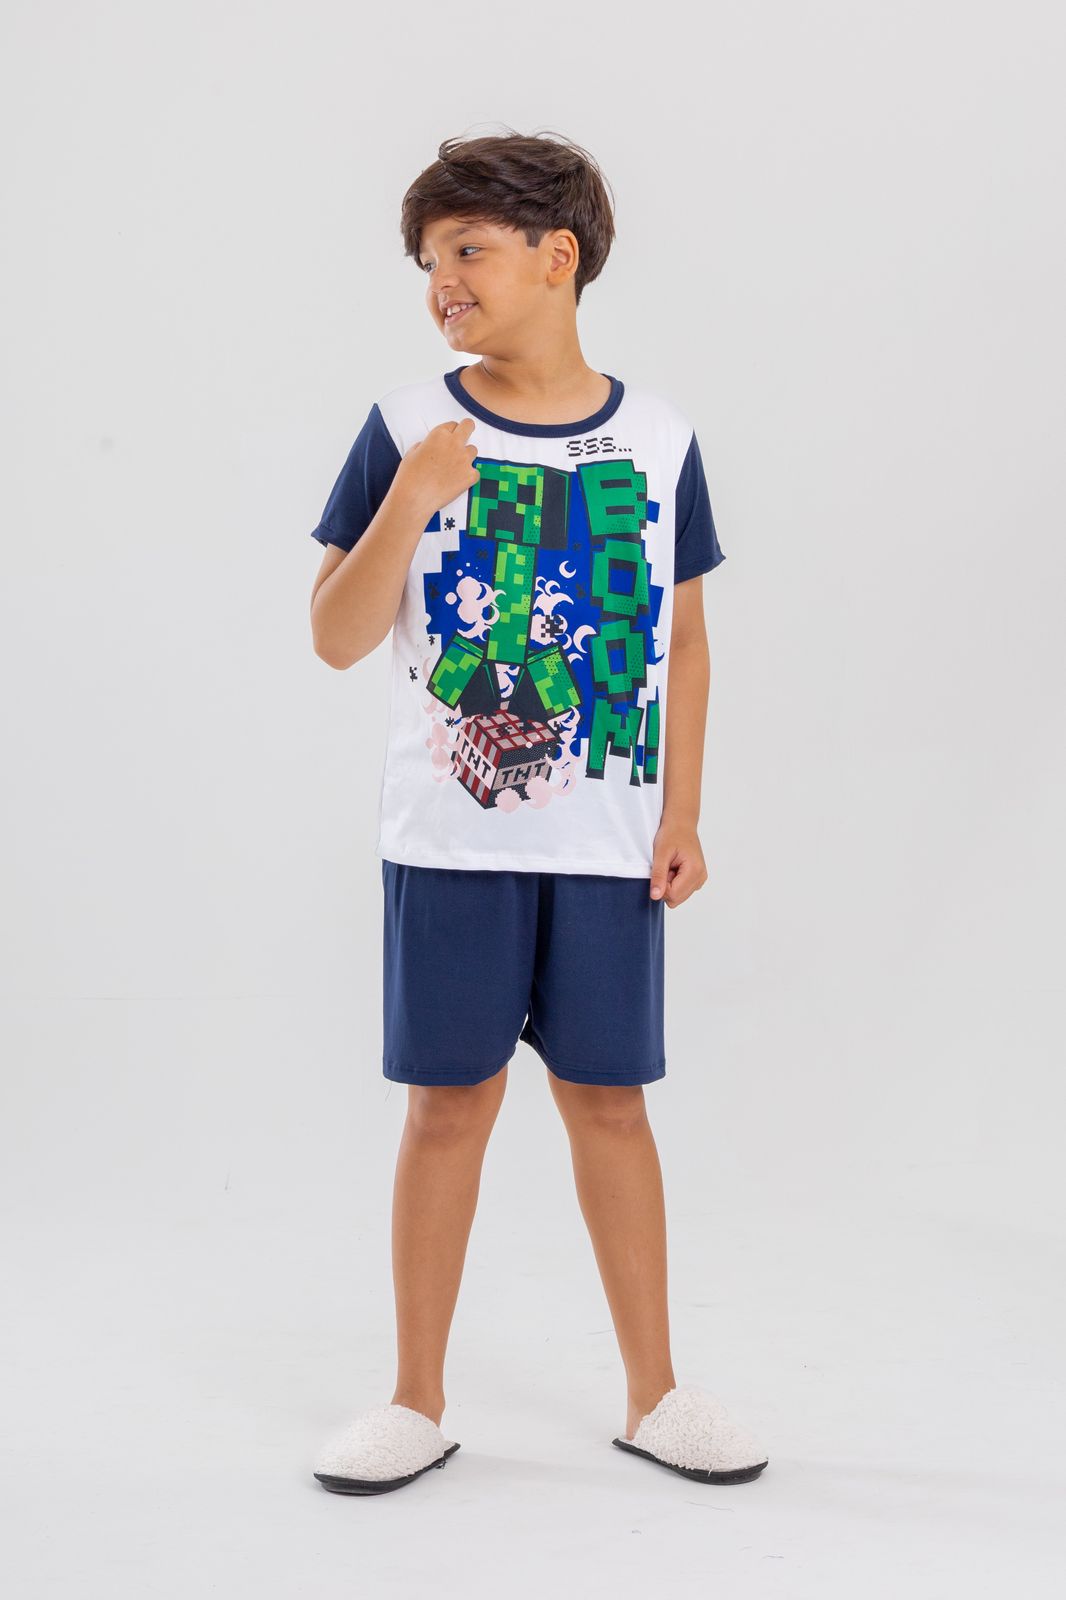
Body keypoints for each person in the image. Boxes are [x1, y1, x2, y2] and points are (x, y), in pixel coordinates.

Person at [306, 130, 768, 1496]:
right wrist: (411, 499)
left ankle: (655, 1393)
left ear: (556, 256)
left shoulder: (660, 438)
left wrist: (681, 812)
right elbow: (335, 635)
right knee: (447, 1108)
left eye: (466, 249)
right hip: (452, 844)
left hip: (607, 848)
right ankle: (415, 1400)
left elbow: (683, 638)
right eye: (426, 259)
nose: (439, 280)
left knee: (610, 1104)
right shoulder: (406, 428)